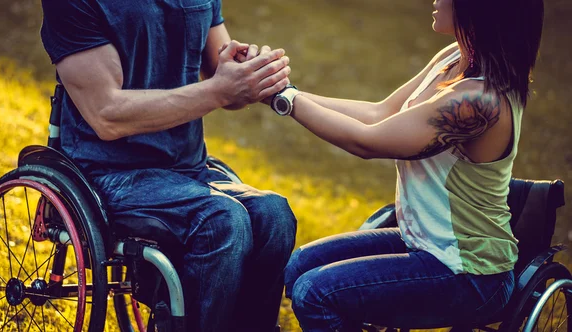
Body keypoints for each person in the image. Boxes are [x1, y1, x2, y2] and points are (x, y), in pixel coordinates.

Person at [263, 0, 544, 330]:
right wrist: (284, 91)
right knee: (300, 265)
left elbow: (367, 141)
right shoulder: (453, 57)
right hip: (427, 242)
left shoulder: (479, 101)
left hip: (471, 274)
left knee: (316, 292)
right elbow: (380, 114)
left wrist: (285, 100)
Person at [39, 1, 297, 331]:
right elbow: (106, 114)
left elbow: (222, 82)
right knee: (222, 220)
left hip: (188, 169)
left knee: (274, 215)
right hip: (106, 173)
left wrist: (251, 75)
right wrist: (219, 90)